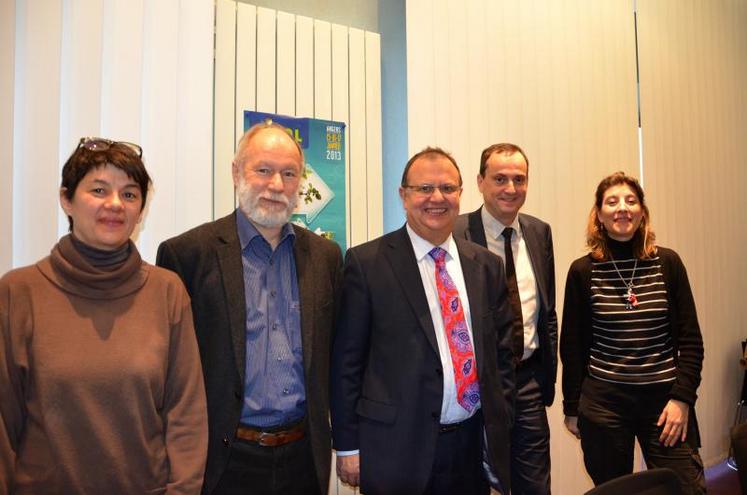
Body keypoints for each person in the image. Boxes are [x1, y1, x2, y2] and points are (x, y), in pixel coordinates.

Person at [0, 137, 207, 494]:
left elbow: (186, 414)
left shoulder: (167, 291)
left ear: (141, 210)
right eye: (99, 189)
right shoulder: (19, 292)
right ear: (67, 199)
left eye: (129, 194)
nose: (115, 204)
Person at [157, 122, 342, 495]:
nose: (276, 185)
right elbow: (168, 370)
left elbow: (336, 355)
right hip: (223, 459)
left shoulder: (325, 257)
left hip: (303, 457)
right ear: (236, 172)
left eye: (289, 174)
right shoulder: (187, 254)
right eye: (263, 170)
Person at [330, 147, 515, 495]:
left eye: (447, 188)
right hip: (395, 449)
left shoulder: (486, 266)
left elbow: (502, 356)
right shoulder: (367, 264)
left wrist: (500, 419)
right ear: (403, 195)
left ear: (461, 194)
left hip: (471, 446)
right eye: (424, 188)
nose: (437, 198)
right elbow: (346, 365)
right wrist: (349, 445)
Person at [560, 171, 705, 494]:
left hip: (664, 404)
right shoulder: (583, 271)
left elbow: (691, 341)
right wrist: (572, 407)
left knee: (687, 488)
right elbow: (572, 346)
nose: (622, 208)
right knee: (616, 490)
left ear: (642, 212)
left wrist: (682, 399)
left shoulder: (668, 263)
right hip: (604, 407)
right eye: (611, 202)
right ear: (599, 214)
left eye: (631, 200)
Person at [454, 143, 557, 494]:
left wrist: (547, 377)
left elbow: (547, 310)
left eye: (519, 179)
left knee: (534, 486)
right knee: (475, 482)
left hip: (527, 381)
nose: (510, 189)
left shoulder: (539, 231)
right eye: (500, 179)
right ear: (480, 182)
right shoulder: (454, 232)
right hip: (476, 384)